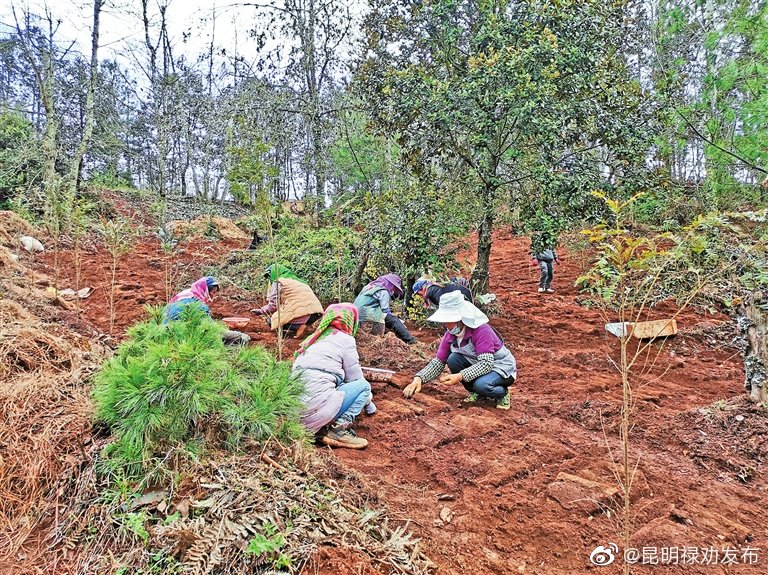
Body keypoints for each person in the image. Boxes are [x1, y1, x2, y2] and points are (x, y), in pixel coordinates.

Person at [402, 291, 517, 410]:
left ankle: (502, 393)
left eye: (449, 320)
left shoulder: (481, 330)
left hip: (500, 367)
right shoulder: (450, 335)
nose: (446, 324)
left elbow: (486, 363)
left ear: (461, 318)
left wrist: (460, 376)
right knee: (453, 359)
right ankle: (476, 392)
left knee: (482, 385)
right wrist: (419, 378)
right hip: (477, 363)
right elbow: (438, 362)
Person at [292, 303, 372, 449]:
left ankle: (317, 429)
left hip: (294, 415)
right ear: (351, 321)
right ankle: (338, 430)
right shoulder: (346, 340)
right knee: (365, 387)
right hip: (317, 410)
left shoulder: (312, 339)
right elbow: (355, 378)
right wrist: (369, 402)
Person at [164, 276, 250, 345]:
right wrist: (237, 334)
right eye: (213, 292)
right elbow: (210, 329)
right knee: (242, 339)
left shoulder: (185, 294)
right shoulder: (198, 304)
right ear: (205, 290)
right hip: (182, 340)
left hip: (164, 334)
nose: (213, 296)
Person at [250, 264, 324, 338]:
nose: (269, 279)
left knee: (272, 321)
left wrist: (261, 311)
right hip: (315, 314)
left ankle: (299, 327)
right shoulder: (299, 281)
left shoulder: (278, 282)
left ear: (274, 273)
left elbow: (273, 305)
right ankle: (307, 326)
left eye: (269, 276)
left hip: (302, 314)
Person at [353, 273, 417, 344]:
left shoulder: (369, 287)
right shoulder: (384, 291)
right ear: (390, 284)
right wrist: (399, 323)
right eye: (394, 287)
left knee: (387, 319)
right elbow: (385, 310)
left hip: (356, 314)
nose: (393, 290)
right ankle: (410, 340)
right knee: (393, 320)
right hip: (368, 313)